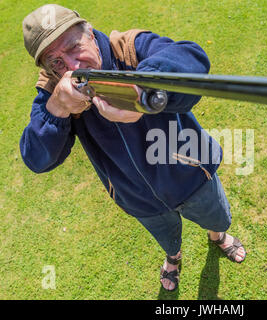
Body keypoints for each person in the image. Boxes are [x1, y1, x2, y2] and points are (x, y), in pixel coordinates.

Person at [21, 4, 246, 292]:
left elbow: (192, 58)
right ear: (47, 69)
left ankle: (217, 236)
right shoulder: (55, 90)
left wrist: (141, 91)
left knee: (217, 218)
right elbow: (36, 158)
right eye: (56, 62)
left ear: (89, 32)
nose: (73, 67)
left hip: (192, 176)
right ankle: (173, 258)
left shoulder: (127, 47)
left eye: (74, 47)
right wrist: (59, 108)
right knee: (167, 237)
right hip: (137, 199)